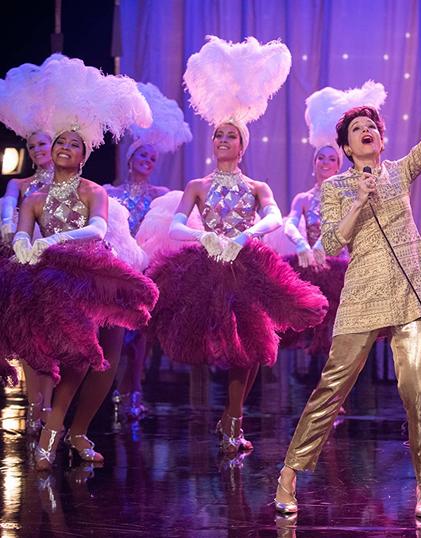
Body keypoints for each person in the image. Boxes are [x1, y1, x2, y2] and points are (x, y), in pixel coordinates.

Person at [274, 45, 421, 520]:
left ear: (381, 140)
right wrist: (358, 200)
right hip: (363, 294)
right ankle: (289, 471)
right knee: (332, 387)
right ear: (345, 148)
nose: (366, 133)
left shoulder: (400, 171)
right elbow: (330, 243)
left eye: (371, 128)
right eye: (355, 131)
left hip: (409, 292)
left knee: (418, 391)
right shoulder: (334, 187)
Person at [146, 36, 327, 455]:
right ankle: (230, 418)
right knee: (225, 344)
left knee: (252, 344)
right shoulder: (197, 185)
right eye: (218, 135)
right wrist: (203, 235)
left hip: (247, 266)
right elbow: (175, 226)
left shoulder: (256, 186)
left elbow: (273, 217)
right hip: (204, 266)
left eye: (230, 136)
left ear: (242, 145)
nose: (222, 140)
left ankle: (232, 419)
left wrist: (243, 236)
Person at [0, 53, 158, 470]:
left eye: (75, 144)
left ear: (85, 155)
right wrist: (23, 244)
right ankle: (51, 431)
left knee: (105, 355)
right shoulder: (33, 195)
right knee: (69, 353)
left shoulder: (93, 191)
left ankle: (78, 430)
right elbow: (19, 228)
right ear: (49, 151)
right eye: (61, 143)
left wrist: (52, 241)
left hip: (93, 274)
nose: (66, 147)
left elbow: (98, 232)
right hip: (49, 280)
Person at [280, 82, 386, 358]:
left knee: (344, 336)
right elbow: (289, 223)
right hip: (311, 268)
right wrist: (303, 246)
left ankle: (337, 398)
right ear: (314, 163)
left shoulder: (351, 195)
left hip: (343, 270)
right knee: (315, 336)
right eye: (320, 158)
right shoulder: (303, 198)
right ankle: (322, 395)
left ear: (339, 165)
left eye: (331, 159)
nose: (325, 163)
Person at [106, 82, 192, 420]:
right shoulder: (110, 192)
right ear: (130, 159)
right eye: (143, 155)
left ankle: (134, 390)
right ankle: (110, 387)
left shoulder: (160, 192)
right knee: (115, 329)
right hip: (117, 268)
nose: (148, 161)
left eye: (153, 158)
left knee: (140, 332)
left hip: (145, 269)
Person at [0, 61, 56, 433]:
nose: (38, 149)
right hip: (25, 264)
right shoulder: (20, 185)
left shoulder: (75, 184)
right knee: (35, 341)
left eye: (43, 143)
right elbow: (6, 212)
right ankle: (40, 411)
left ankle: (52, 410)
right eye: (32, 145)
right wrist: (9, 232)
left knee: (57, 339)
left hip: (60, 265)